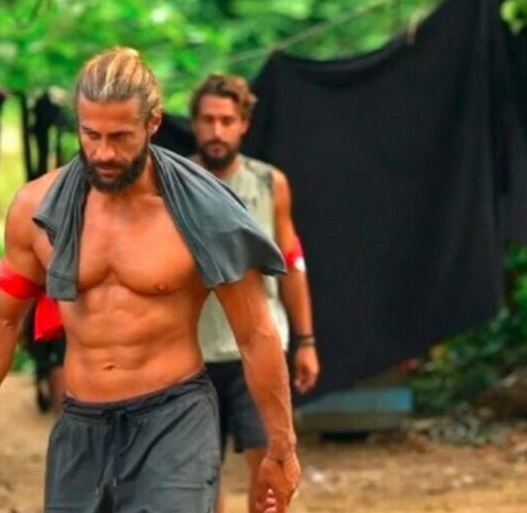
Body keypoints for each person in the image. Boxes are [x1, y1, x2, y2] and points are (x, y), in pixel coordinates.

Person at [0, 47, 301, 513]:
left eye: (120, 136)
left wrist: (281, 447)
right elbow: (2, 315)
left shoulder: (203, 211)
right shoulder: (36, 208)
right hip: (80, 424)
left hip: (174, 419)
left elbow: (255, 333)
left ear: (153, 123)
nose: (103, 153)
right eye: (90, 134)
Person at [189, 74, 320, 513]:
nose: (217, 131)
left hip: (258, 347)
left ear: (243, 124)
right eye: (208, 120)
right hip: (192, 352)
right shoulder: (175, 184)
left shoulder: (269, 184)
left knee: (268, 464)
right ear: (194, 123)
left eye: (227, 120)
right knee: (199, 471)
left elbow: (292, 262)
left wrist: (306, 340)